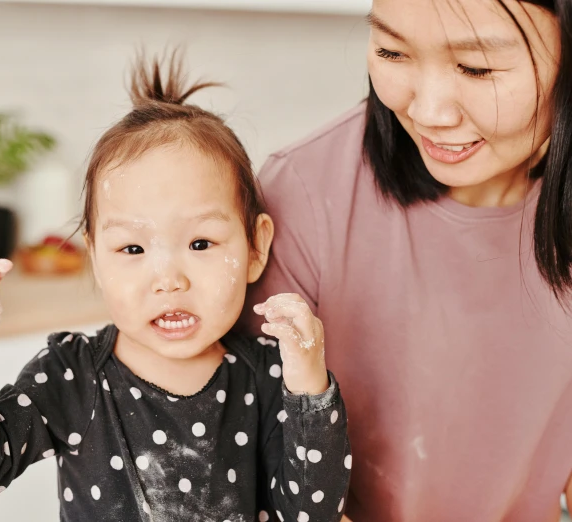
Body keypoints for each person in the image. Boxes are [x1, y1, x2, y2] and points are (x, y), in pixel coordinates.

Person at [0, 52, 351, 522]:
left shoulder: (268, 376)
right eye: (133, 250)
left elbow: (313, 512)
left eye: (200, 242)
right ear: (95, 259)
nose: (169, 280)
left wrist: (308, 383)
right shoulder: (71, 376)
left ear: (255, 249)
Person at [239, 1, 572, 521]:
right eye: (392, 51)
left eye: (477, 67)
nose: (429, 112)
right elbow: (245, 457)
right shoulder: (303, 194)